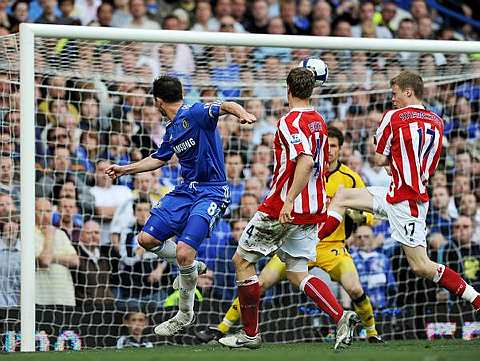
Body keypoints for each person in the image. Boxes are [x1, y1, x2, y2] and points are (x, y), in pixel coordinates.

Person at [198, 126, 383, 344]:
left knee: (354, 288)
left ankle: (372, 334)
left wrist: (358, 216)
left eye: (334, 146)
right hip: (297, 240)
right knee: (259, 282)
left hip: (331, 246)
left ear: (341, 149)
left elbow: (371, 217)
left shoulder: (350, 178)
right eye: (327, 146)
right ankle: (222, 328)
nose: (330, 150)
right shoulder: (308, 173)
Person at [218, 68, 358, 351]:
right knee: (296, 271)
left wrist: (290, 199)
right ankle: (340, 316)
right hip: (315, 207)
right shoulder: (319, 120)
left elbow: (305, 161)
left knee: (242, 262)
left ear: (288, 89)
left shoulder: (288, 122)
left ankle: (250, 334)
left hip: (284, 205)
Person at [318, 70, 480, 313]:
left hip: (407, 202)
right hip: (399, 193)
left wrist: (390, 159)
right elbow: (431, 165)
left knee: (422, 266)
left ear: (408, 91)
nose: (392, 98)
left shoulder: (394, 117)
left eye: (394, 94)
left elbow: (378, 158)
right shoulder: (438, 122)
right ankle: (313, 242)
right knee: (341, 196)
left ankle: (476, 299)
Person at [105, 75, 256, 335]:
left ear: (157, 102)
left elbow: (224, 105)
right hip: (185, 190)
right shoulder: (172, 128)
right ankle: (191, 266)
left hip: (212, 191)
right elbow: (158, 159)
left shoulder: (195, 112)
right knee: (146, 239)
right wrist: (125, 169)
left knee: (185, 251)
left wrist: (242, 113)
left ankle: (184, 314)